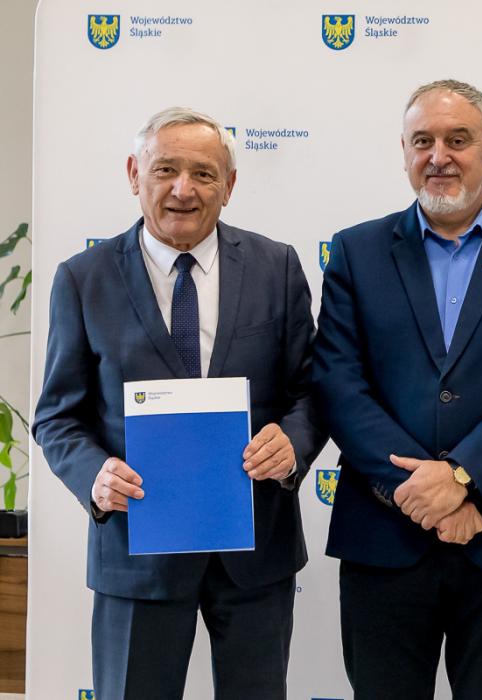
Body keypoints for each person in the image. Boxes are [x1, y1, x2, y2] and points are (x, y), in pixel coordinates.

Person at [32, 107, 325, 700]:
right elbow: (58, 415)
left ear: (229, 186)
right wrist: (94, 474)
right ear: (133, 173)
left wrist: (293, 443)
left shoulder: (277, 267)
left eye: (204, 173)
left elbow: (312, 390)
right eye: (165, 169)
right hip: (136, 552)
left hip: (254, 553)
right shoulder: (83, 278)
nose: (183, 189)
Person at [312, 79, 482, 699]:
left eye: (458, 139)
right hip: (384, 534)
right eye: (423, 141)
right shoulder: (356, 250)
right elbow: (338, 380)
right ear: (404, 152)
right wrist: (421, 491)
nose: (439, 156)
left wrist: (463, 476)